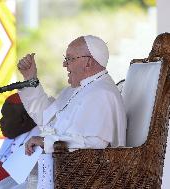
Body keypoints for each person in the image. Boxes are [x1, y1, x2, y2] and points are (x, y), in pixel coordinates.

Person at [17, 35, 127, 188]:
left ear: (88, 62)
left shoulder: (102, 93)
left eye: (69, 59)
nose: (64, 64)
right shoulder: (76, 89)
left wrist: (46, 142)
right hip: (57, 173)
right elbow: (46, 118)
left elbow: (94, 145)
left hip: (81, 180)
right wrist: (30, 79)